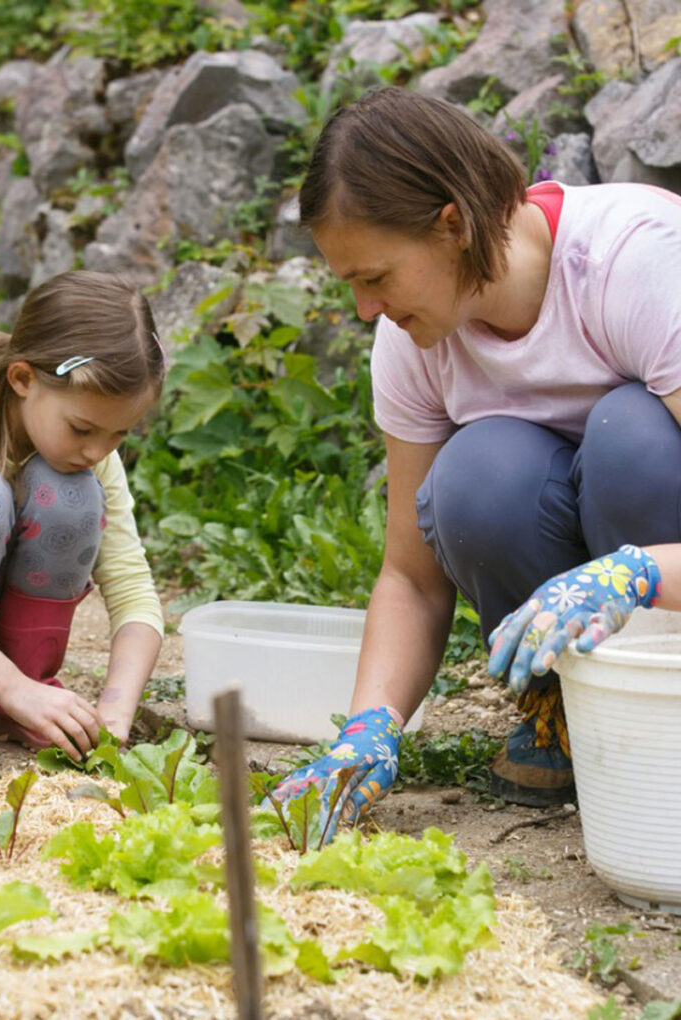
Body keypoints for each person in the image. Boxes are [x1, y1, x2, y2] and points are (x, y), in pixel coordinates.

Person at [271, 85, 681, 840]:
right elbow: (410, 576)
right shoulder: (413, 341)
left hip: (665, 559)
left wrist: (639, 573)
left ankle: (662, 701)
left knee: (633, 435)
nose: (365, 309)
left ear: (451, 225)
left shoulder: (638, 261)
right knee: (476, 473)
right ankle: (560, 706)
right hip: (583, 573)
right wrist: (369, 726)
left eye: (375, 277)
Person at [0, 269, 166, 761]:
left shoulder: (90, 456)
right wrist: (12, 686)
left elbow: (134, 592)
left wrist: (115, 712)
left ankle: (18, 700)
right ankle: (12, 692)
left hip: (1, 671)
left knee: (72, 495)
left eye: (119, 435)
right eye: (82, 429)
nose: (98, 451)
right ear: (23, 379)